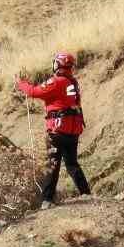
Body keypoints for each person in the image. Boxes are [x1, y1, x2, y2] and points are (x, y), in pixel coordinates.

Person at [17, 52, 91, 209]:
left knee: (52, 165)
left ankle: (47, 200)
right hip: (73, 131)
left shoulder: (56, 82)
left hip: (57, 130)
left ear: (58, 65)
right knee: (72, 164)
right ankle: (86, 193)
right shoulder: (73, 82)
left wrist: (20, 83)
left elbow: (33, 92)